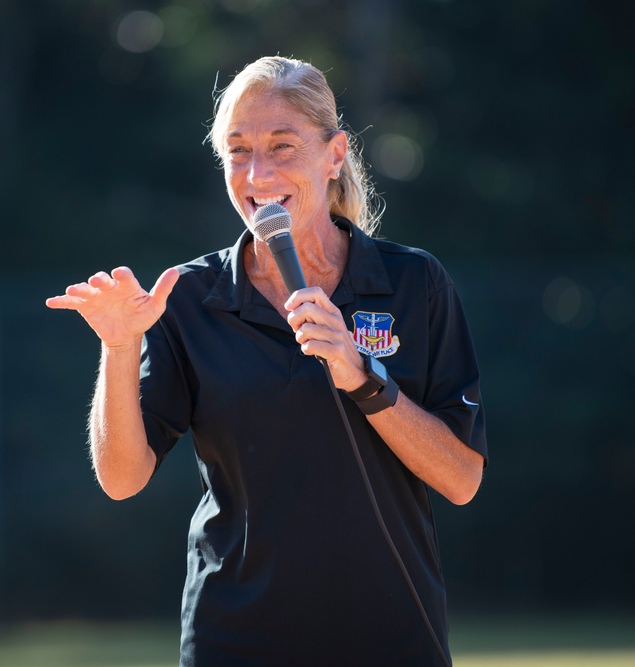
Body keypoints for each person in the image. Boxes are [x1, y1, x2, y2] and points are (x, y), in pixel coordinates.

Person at [46, 55, 487, 666]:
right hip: (236, 643)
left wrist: (362, 378)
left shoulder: (415, 282)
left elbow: (462, 480)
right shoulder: (189, 298)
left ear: (334, 155)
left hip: (391, 639)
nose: (258, 175)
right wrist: (120, 349)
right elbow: (122, 479)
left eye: (282, 147)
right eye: (238, 151)